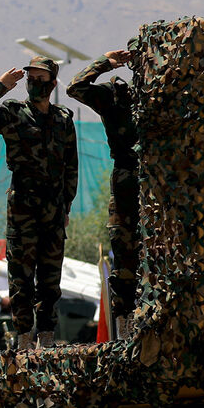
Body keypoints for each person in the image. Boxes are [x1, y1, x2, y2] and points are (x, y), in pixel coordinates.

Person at [0, 56, 78, 350]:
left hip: (53, 209)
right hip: (22, 208)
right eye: (31, 79)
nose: (34, 84)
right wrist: (1, 87)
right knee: (20, 275)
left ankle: (46, 335)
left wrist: (66, 207)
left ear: (53, 83)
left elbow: (71, 166)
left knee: (50, 277)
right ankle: (24, 338)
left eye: (41, 79)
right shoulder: (13, 113)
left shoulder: (63, 120)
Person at [67, 48, 139, 339]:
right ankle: (124, 327)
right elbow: (75, 87)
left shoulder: (164, 95)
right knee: (124, 254)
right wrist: (105, 64)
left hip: (162, 181)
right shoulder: (115, 95)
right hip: (127, 177)